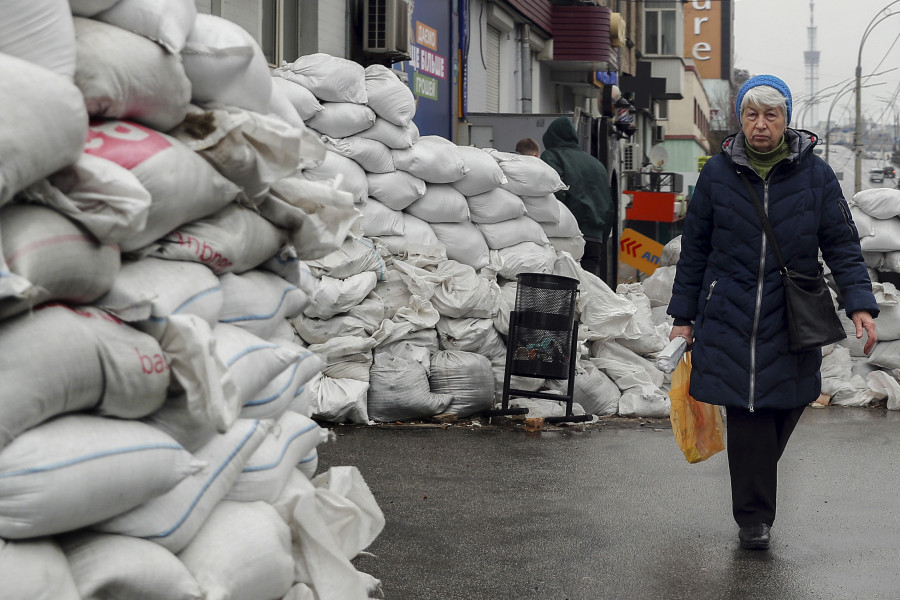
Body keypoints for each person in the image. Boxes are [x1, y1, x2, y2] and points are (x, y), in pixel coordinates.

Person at [666, 75, 879, 551]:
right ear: (739, 119)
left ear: (786, 120)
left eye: (771, 115)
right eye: (751, 115)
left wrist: (860, 305)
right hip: (729, 310)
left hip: (793, 313)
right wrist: (684, 316)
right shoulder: (717, 174)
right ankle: (754, 520)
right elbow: (695, 250)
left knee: (788, 400)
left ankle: (754, 481)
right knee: (747, 412)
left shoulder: (816, 175)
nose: (760, 125)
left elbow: (842, 244)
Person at [540, 116, 613, 277]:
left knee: (562, 296)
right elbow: (609, 207)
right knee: (587, 292)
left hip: (566, 238)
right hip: (595, 240)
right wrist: (601, 238)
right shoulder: (597, 165)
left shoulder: (551, 156)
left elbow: (555, 193)